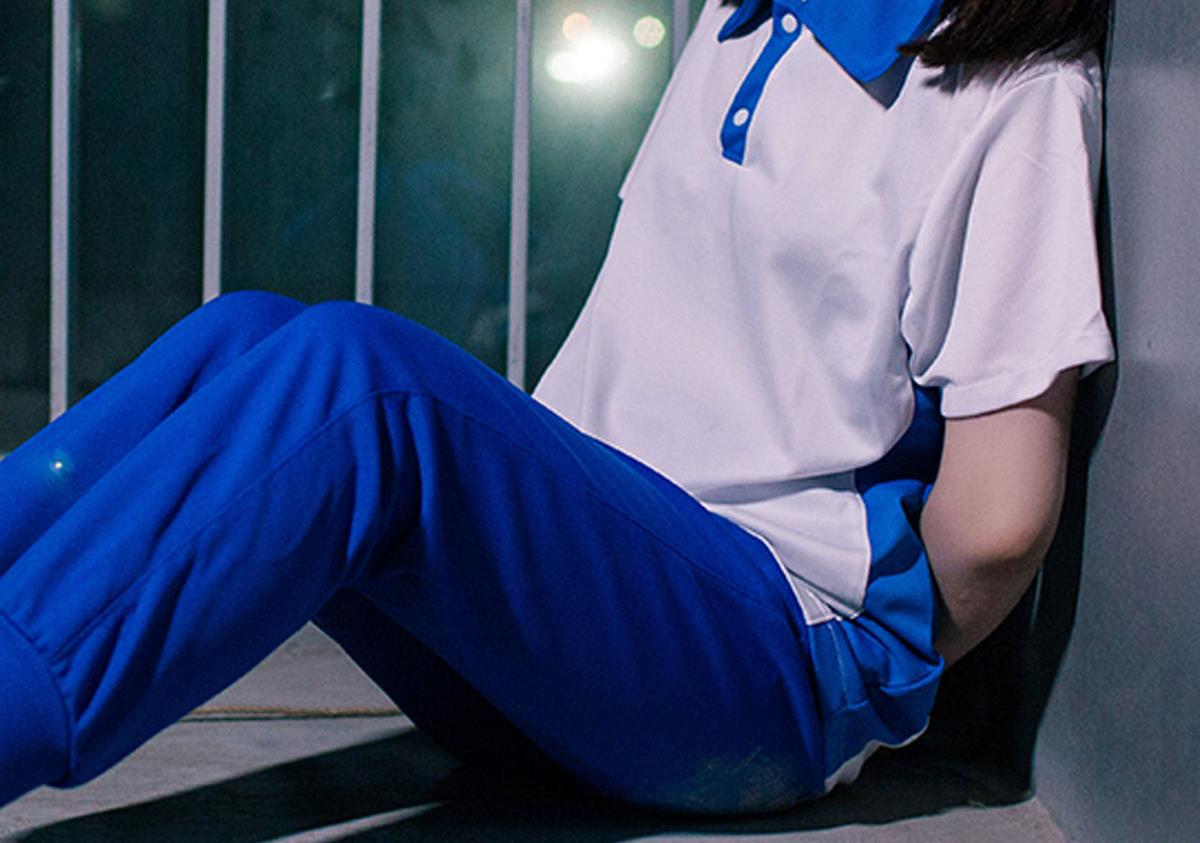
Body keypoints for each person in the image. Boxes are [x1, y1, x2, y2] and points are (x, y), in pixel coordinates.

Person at [0, 0, 1113, 815]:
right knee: (250, 337)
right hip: (591, 638)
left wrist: (847, 689)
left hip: (762, 657)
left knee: (367, 382)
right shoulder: (743, 20)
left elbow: (999, 520)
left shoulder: (1015, 90)